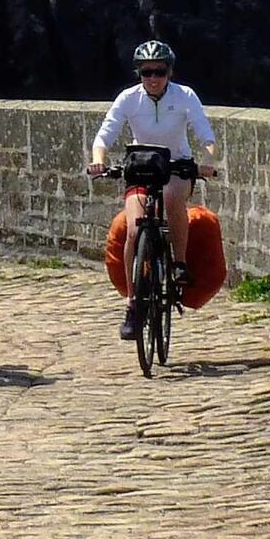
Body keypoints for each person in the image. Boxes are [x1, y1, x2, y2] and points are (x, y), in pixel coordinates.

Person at [86, 39, 218, 341]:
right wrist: (98, 161)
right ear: (139, 74)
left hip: (176, 166)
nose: (153, 78)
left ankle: (180, 263)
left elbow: (204, 133)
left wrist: (207, 160)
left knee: (173, 198)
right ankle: (133, 304)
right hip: (141, 167)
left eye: (159, 71)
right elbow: (104, 136)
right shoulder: (128, 99)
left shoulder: (185, 96)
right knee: (133, 229)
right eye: (146, 73)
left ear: (169, 71)